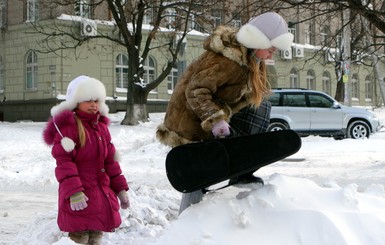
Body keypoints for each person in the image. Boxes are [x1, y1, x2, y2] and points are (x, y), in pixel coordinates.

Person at [156, 12, 293, 214]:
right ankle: (186, 226)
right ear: (258, 41)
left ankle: (242, 170)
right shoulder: (228, 61)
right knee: (199, 177)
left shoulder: (249, 60)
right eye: (271, 50)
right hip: (190, 122)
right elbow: (195, 91)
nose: (272, 55)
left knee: (261, 106)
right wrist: (216, 120)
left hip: (207, 118)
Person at [43, 75, 130, 244]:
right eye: (88, 100)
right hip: (79, 198)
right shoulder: (69, 128)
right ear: (75, 102)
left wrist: (120, 189)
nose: (93, 105)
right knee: (79, 239)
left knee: (96, 238)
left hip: (99, 198)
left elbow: (110, 162)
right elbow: (64, 162)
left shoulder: (101, 128)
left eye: (96, 100)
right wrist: (74, 192)